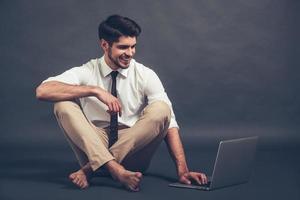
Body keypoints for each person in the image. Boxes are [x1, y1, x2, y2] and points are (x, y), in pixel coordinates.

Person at [36, 15, 207, 192]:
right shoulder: (87, 71)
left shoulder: (145, 74)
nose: (130, 53)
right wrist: (94, 90)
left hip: (133, 149)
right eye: (123, 47)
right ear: (105, 45)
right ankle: (116, 170)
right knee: (62, 104)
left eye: (133, 47)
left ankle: (90, 169)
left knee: (162, 109)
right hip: (94, 142)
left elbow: (169, 123)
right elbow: (43, 91)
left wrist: (183, 170)